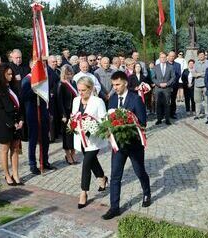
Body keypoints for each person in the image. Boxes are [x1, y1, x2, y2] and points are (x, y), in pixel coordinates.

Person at [102, 71, 151, 220]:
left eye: (117, 84)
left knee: (139, 171)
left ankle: (147, 192)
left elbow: (143, 122)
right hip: (118, 146)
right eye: (113, 85)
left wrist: (127, 126)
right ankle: (114, 207)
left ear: (125, 83)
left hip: (134, 145)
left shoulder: (135, 99)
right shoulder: (112, 100)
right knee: (115, 176)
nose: (115, 87)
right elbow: (108, 120)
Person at [71, 76, 108, 209]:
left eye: (83, 90)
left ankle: (83, 192)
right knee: (92, 161)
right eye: (79, 90)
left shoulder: (98, 102)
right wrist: (72, 124)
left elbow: (104, 121)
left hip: (94, 140)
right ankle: (102, 178)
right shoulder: (76, 100)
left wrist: (93, 127)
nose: (81, 93)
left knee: (86, 163)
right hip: (80, 138)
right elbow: (73, 116)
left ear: (91, 89)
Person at [0, 63, 24, 186]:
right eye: (8, 74)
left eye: (11, 74)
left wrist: (21, 119)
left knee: (15, 149)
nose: (11, 76)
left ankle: (15, 174)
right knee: (5, 150)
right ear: (2, 75)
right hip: (4, 124)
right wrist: (11, 123)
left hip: (16, 122)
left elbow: (19, 105)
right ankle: (7, 174)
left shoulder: (13, 87)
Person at [21, 61, 56, 175]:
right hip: (32, 112)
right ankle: (32, 164)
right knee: (33, 139)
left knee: (45, 138)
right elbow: (24, 96)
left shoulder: (44, 78)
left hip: (44, 111)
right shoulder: (27, 79)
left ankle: (44, 161)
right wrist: (34, 88)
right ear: (31, 66)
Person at [57, 65, 78, 165]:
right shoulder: (61, 84)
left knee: (74, 133)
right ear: (63, 74)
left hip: (74, 112)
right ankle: (67, 154)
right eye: (67, 74)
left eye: (70, 74)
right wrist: (63, 115)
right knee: (67, 135)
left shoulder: (74, 83)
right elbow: (59, 101)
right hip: (66, 112)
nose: (69, 76)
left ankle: (73, 153)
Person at [152, 52, 176, 125]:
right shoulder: (155, 67)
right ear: (159, 58)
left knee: (167, 104)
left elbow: (173, 77)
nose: (163, 58)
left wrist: (167, 84)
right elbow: (153, 78)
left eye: (164, 57)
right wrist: (159, 84)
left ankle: (167, 119)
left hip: (167, 88)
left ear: (166, 58)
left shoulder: (170, 67)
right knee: (158, 104)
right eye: (161, 57)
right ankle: (159, 119)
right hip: (158, 89)